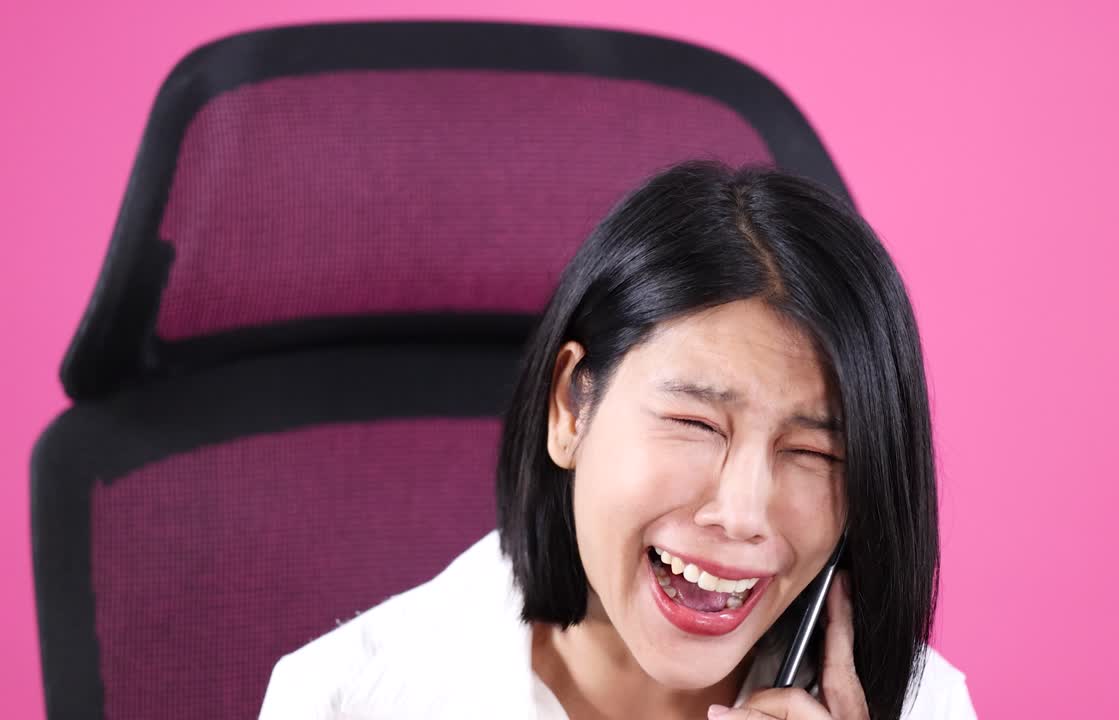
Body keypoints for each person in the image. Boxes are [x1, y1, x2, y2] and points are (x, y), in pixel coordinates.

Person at [259, 161, 978, 719]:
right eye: (695, 425)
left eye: (818, 454)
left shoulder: (917, 708)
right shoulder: (344, 701)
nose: (744, 512)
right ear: (572, 409)